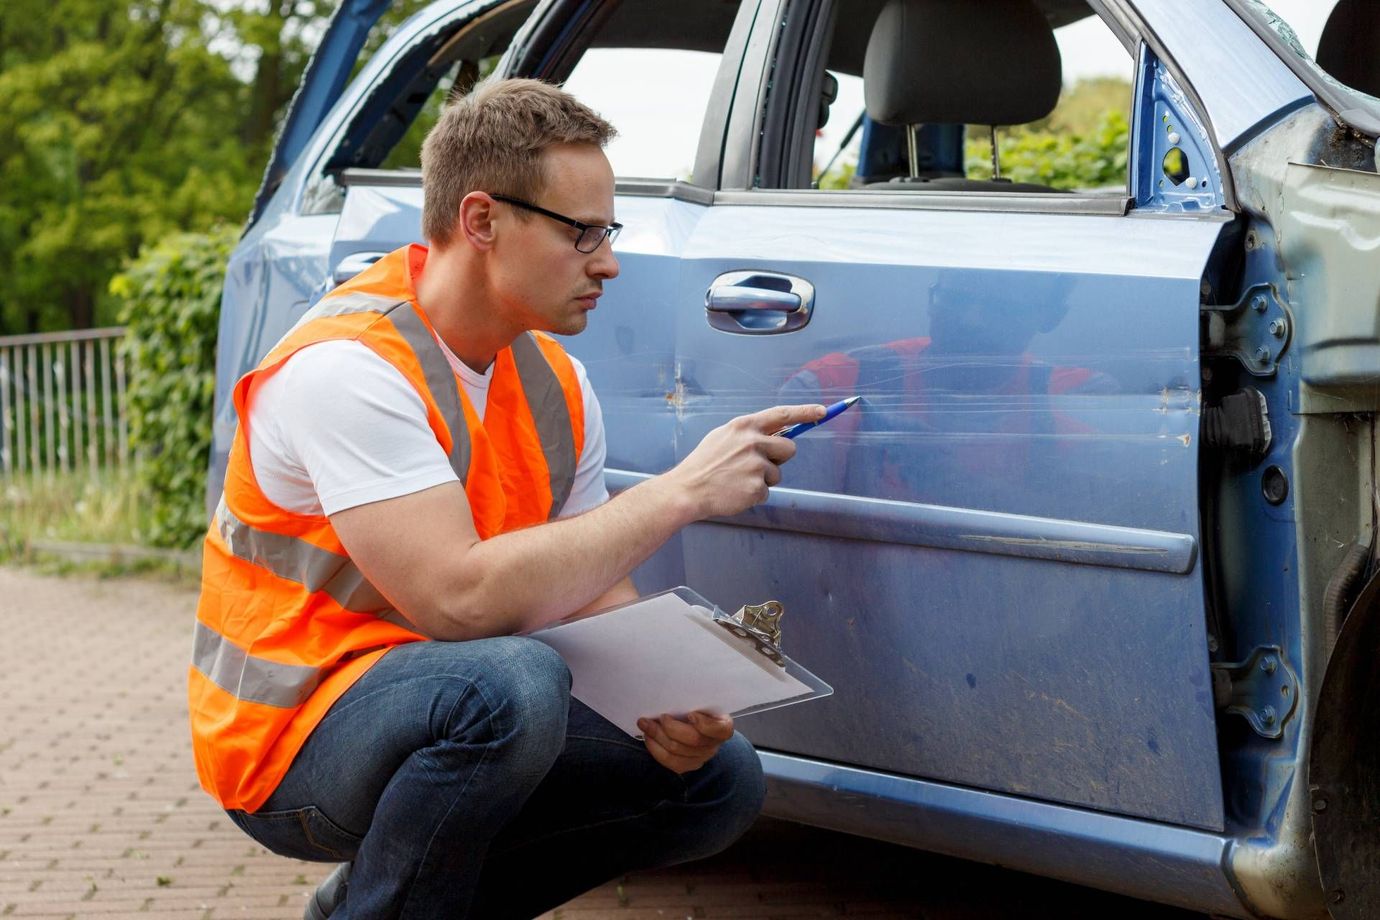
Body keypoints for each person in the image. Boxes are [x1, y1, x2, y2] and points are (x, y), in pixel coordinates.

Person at [187, 78, 825, 919]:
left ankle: (371, 908)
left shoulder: (556, 378)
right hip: (291, 739)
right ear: (482, 221)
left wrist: (663, 696)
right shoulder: (348, 366)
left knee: (717, 782)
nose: (609, 261)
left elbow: (591, 588)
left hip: (444, 701)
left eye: (610, 231)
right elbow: (456, 600)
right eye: (582, 233)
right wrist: (680, 495)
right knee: (510, 688)